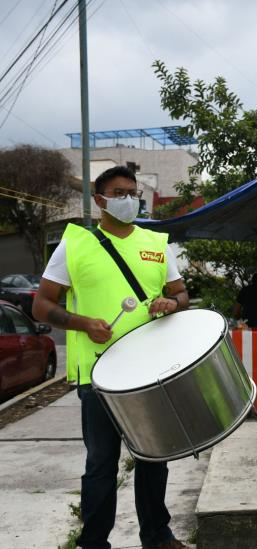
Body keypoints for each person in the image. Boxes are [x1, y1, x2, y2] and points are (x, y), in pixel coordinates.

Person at [32, 166, 190, 549]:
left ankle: (157, 535)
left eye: (133, 193)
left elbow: (182, 295)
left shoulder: (157, 243)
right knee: (101, 464)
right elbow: (41, 305)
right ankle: (94, 541)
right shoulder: (75, 244)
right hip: (99, 375)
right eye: (119, 193)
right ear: (99, 200)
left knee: (154, 459)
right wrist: (82, 322)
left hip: (149, 372)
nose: (129, 200)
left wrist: (171, 303)